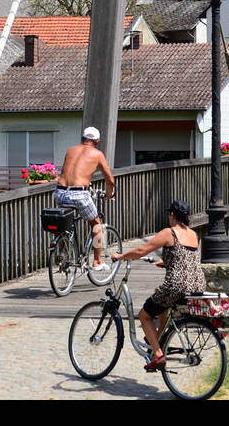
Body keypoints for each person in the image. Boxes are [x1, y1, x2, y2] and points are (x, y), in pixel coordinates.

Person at [113, 199, 206, 371]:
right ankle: (159, 338)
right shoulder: (193, 234)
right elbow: (185, 258)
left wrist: (121, 256)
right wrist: (166, 262)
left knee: (144, 315)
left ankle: (157, 354)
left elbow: (141, 251)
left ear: (172, 215)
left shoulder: (169, 233)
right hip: (197, 285)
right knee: (161, 297)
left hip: (177, 285)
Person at [54, 127, 116, 272]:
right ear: (98, 141)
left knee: (67, 223)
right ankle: (97, 261)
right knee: (95, 224)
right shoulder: (97, 153)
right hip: (79, 194)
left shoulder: (70, 150)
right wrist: (109, 193)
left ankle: (63, 253)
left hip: (60, 192)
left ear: (82, 139)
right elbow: (109, 179)